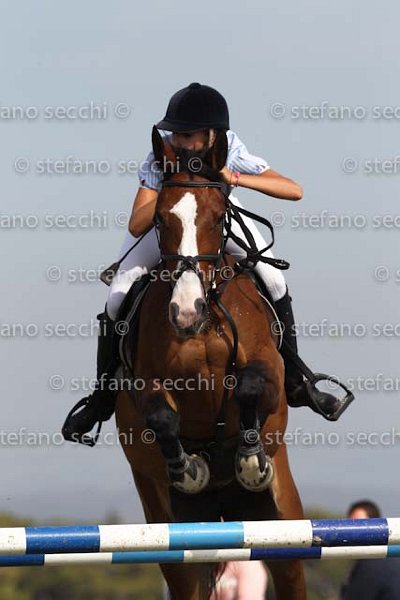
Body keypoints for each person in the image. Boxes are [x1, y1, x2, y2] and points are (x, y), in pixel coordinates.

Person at [62, 82, 343, 445]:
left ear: (211, 134)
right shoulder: (159, 156)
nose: (178, 141)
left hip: (216, 221)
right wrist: (173, 192)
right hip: (171, 225)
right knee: (117, 293)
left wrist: (234, 178)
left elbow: (294, 190)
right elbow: (136, 223)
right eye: (175, 133)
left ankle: (296, 381)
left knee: (274, 279)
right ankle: (102, 396)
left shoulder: (230, 147)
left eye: (186, 135)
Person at [341, 500, 400, 599]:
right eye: (349, 525)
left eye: (359, 525)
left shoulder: (371, 564)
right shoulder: (389, 558)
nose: (352, 532)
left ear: (375, 527)